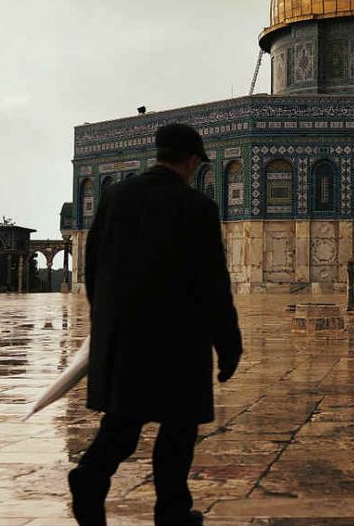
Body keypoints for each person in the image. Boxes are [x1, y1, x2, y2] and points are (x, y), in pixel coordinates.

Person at [69, 123, 242, 526]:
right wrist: (228, 344)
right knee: (178, 429)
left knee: (122, 424)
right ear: (193, 160)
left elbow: (92, 267)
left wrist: (105, 319)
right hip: (178, 338)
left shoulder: (113, 198)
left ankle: (90, 477)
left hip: (123, 334)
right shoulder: (198, 208)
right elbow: (213, 283)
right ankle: (172, 511)